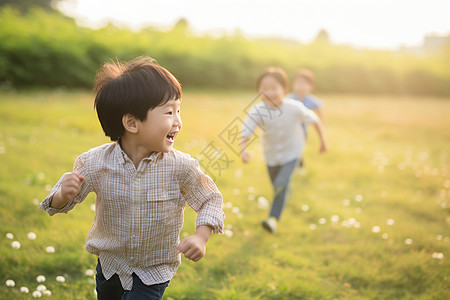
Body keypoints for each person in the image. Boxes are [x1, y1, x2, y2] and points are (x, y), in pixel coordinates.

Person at [39, 56, 225, 300]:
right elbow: (57, 204)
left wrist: (201, 236)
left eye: (179, 110)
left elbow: (210, 199)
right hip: (110, 267)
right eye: (169, 112)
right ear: (131, 123)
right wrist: (64, 194)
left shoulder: (181, 167)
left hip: (154, 271)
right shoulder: (96, 163)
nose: (178, 121)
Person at [240, 67, 327, 234]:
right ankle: (285, 191)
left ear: (285, 90)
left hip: (292, 152)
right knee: (278, 186)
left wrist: (323, 142)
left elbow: (314, 120)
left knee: (280, 184)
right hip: (271, 155)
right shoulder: (257, 110)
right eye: (264, 89)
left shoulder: (294, 107)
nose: (269, 93)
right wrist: (243, 150)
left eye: (274, 88)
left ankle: (272, 220)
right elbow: (246, 130)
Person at [287, 69, 324, 168]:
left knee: (298, 149)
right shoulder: (289, 98)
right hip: (289, 129)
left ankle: (299, 164)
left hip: (303, 131)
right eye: (297, 83)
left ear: (310, 87)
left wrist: (320, 122)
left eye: (303, 84)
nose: (300, 86)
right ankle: (292, 163)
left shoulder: (311, 100)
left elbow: (319, 109)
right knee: (289, 148)